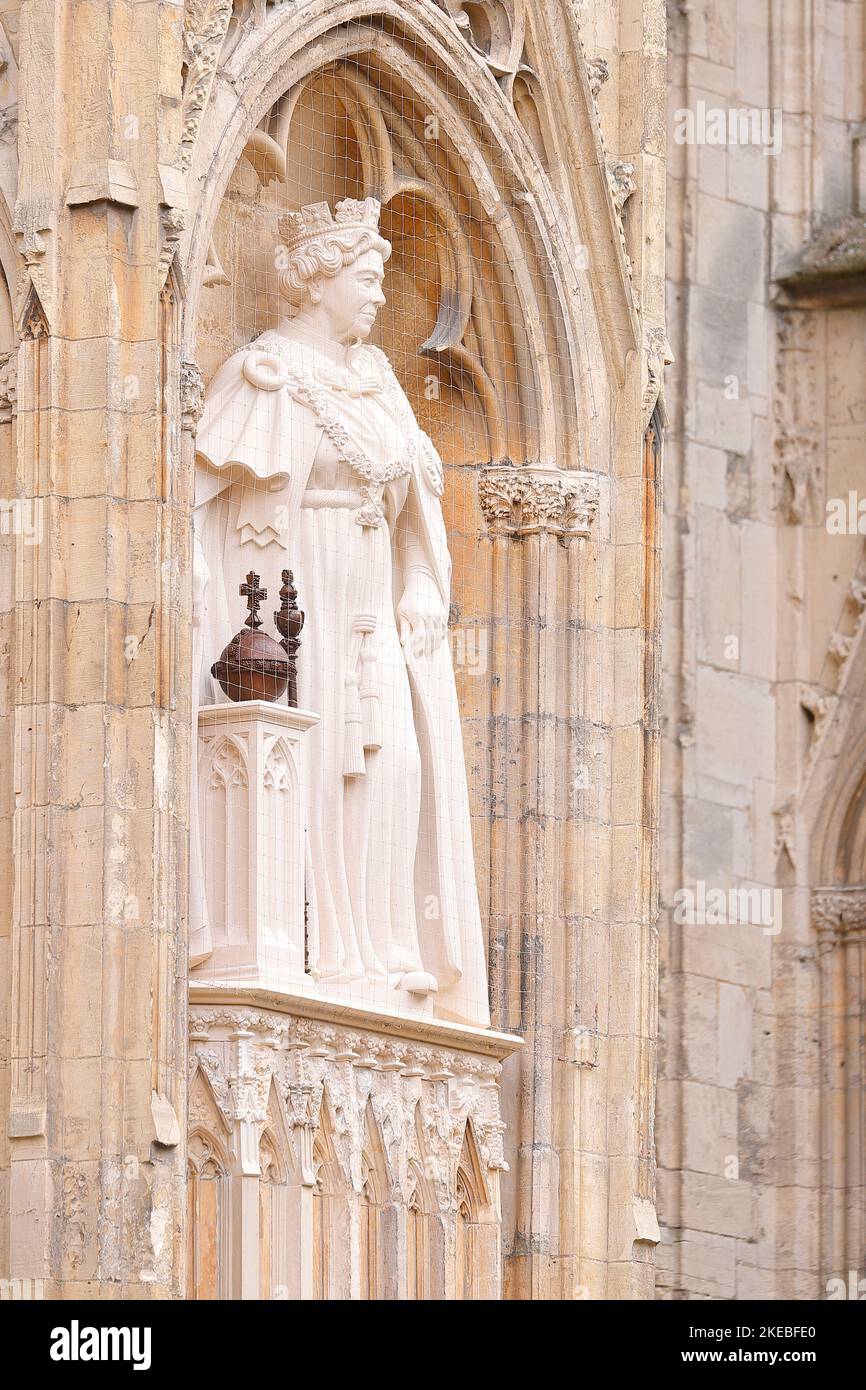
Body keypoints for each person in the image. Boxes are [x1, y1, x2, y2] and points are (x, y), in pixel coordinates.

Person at [190, 197, 489, 1027]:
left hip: (369, 599)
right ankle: (320, 949)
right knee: (313, 762)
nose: (381, 297)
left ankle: (387, 946)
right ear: (318, 282)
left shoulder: (380, 385)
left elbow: (417, 509)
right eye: (366, 277)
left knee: (395, 764)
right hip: (294, 594)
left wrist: (423, 583)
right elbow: (197, 495)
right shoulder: (266, 373)